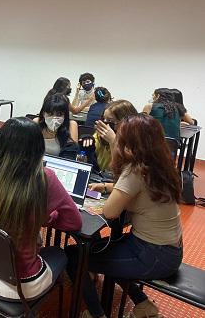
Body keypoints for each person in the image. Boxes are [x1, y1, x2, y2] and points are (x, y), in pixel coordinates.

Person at [67, 113, 183, 318]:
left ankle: (96, 314)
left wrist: (114, 150)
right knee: (112, 247)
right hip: (169, 250)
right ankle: (143, 304)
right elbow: (133, 188)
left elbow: (110, 212)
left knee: (74, 257)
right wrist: (105, 186)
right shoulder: (160, 165)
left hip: (152, 255)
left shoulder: (135, 170)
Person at [0, 117, 82, 301]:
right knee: (58, 253)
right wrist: (45, 217)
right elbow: (74, 222)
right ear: (38, 148)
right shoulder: (44, 178)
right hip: (20, 284)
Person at [83, 100, 138, 174]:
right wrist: (87, 144)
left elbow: (122, 173)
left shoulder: (134, 144)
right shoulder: (100, 136)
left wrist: (113, 141)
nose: (105, 123)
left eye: (110, 120)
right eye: (104, 119)